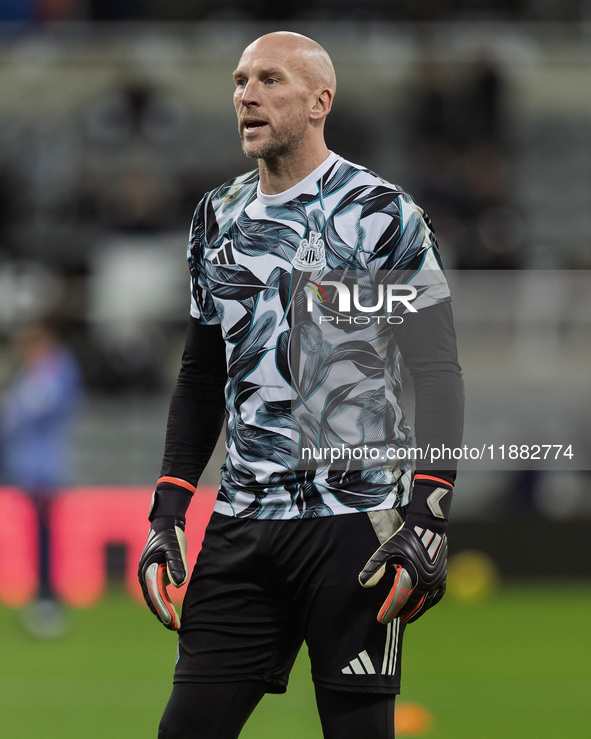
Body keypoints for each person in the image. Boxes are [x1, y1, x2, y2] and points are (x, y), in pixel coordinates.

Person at [138, 31, 464, 738]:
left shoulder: (382, 214)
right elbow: (200, 374)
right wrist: (167, 511)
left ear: (320, 101)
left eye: (269, 79)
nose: (245, 94)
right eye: (238, 80)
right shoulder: (215, 216)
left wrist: (428, 513)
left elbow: (436, 369)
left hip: (354, 527)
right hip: (243, 523)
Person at [0, 318, 83, 637]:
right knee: (39, 534)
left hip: (43, 466)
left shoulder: (53, 368)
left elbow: (28, 410)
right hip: (28, 464)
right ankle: (43, 596)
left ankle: (47, 599)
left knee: (44, 534)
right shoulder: (39, 371)